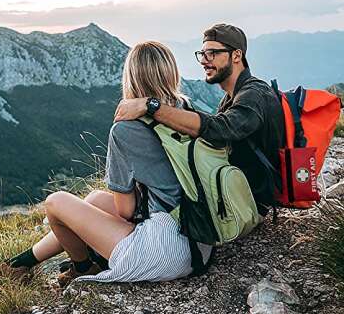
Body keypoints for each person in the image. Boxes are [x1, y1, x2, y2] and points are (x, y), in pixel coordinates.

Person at [0, 41, 212, 287]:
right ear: (171, 72)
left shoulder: (125, 129)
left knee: (55, 202)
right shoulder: (185, 110)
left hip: (165, 251)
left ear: (131, 77)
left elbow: (126, 211)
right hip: (198, 239)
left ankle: (82, 266)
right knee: (94, 199)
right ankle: (19, 264)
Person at [115, 23, 285, 217]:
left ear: (236, 56)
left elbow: (222, 130)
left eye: (212, 53)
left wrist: (151, 106)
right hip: (235, 196)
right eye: (202, 54)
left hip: (247, 204)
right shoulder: (232, 97)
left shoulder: (254, 94)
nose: (204, 61)